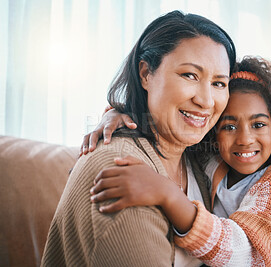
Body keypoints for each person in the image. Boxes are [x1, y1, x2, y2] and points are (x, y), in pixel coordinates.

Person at [87, 56, 271, 266]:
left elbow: (247, 251)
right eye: (229, 126)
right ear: (213, 131)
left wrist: (168, 194)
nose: (244, 139)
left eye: (259, 124)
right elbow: (169, 121)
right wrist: (119, 114)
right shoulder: (212, 162)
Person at [41, 10, 236, 266]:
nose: (206, 100)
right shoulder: (120, 170)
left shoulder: (201, 159)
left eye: (219, 83)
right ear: (146, 74)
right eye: (189, 75)